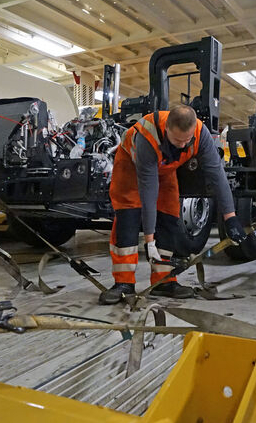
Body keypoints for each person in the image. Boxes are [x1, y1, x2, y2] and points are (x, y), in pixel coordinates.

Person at [99, 105, 247, 304]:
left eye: (187, 140)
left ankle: (163, 281)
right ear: (167, 129)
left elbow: (217, 175)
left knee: (169, 217)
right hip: (131, 169)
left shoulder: (199, 133)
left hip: (165, 170)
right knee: (128, 218)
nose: (182, 145)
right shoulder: (147, 136)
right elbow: (148, 189)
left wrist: (231, 218)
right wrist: (149, 240)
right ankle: (123, 283)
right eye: (177, 140)